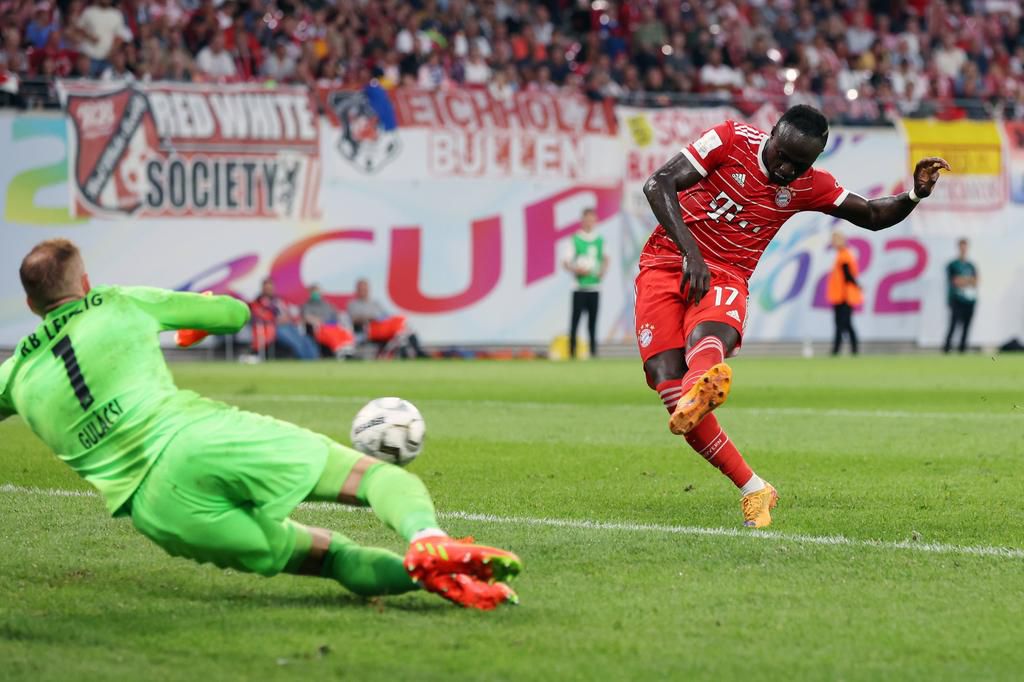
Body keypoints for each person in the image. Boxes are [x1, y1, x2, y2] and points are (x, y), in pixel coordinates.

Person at [0, 239, 521, 610]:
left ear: (31, 304)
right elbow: (232, 315)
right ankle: (429, 540)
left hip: (159, 510)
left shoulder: (15, 372)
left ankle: (427, 580)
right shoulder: (115, 301)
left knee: (332, 558)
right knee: (376, 477)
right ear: (84, 283)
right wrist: (195, 322)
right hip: (200, 438)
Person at [639, 105, 949, 527]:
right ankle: (754, 486)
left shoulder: (809, 184)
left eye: (799, 163)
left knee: (707, 341)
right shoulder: (729, 140)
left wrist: (914, 194)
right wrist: (691, 252)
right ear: (772, 134)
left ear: (814, 161)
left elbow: (873, 216)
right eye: (782, 155)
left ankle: (703, 387)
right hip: (665, 260)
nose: (786, 168)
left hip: (728, 272)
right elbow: (658, 184)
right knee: (666, 381)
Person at [561, 207, 609, 359]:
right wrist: (576, 269)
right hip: (579, 287)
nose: (589, 223)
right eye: (587, 219)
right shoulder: (575, 239)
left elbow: (606, 258)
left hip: (595, 286)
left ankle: (593, 352)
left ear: (595, 221)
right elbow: (566, 262)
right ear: (582, 221)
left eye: (592, 219)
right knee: (575, 321)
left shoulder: (600, 239)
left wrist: (602, 271)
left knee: (592, 322)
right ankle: (572, 352)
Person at [347, 279, 428, 359]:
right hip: (369, 330)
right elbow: (354, 320)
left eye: (365, 288)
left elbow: (387, 316)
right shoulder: (353, 304)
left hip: (383, 328)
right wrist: (371, 318)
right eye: (361, 289)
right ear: (357, 290)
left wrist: (382, 319)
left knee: (401, 321)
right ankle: (410, 346)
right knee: (401, 326)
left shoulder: (375, 303)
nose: (363, 291)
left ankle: (414, 348)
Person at [250, 278, 319, 360]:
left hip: (289, 325)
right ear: (263, 289)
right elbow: (259, 316)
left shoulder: (278, 300)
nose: (269, 290)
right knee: (295, 342)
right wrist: (275, 320)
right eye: (267, 288)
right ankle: (305, 360)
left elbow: (289, 312)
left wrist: (290, 318)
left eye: (271, 288)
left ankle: (314, 360)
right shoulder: (258, 301)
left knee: (306, 340)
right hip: (274, 327)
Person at [826, 230, 863, 356]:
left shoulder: (844, 256)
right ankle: (852, 349)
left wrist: (857, 285)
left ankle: (837, 350)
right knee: (845, 324)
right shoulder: (843, 254)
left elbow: (848, 275)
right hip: (840, 295)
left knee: (842, 324)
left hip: (844, 295)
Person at [302, 284, 356, 358]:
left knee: (344, 332)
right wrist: (318, 321)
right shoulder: (307, 305)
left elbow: (336, 316)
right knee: (331, 335)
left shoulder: (327, 305)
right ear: (310, 293)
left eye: (317, 291)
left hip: (332, 326)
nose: (316, 294)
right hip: (319, 328)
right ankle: (339, 351)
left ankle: (348, 350)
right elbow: (306, 317)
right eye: (313, 292)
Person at [944, 238, 978, 354]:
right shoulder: (953, 265)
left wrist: (964, 280)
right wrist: (967, 280)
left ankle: (962, 349)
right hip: (956, 299)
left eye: (965, 247)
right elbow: (955, 281)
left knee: (966, 326)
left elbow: (975, 281)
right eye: (962, 247)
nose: (964, 249)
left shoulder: (971, 265)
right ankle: (947, 348)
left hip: (970, 300)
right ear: (959, 248)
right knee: (953, 325)